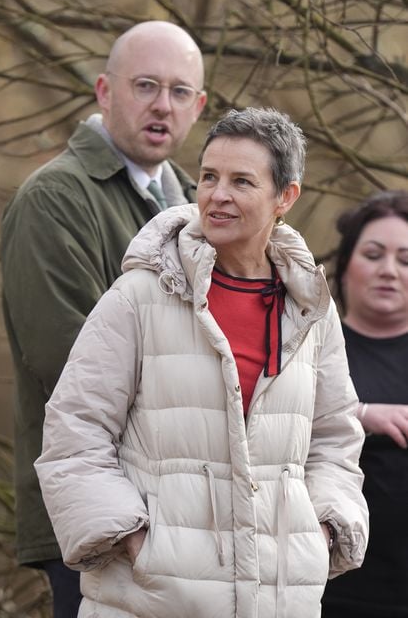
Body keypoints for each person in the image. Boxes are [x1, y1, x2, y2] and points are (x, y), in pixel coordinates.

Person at [34, 107, 368, 618]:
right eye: (209, 176)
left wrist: (318, 534)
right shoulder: (139, 296)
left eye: (241, 181)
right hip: (150, 600)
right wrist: (136, 543)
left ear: (286, 197)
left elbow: (336, 439)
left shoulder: (311, 309)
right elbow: (74, 429)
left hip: (281, 600)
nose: (217, 195)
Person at [0, 20, 207, 617]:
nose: (162, 105)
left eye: (179, 91)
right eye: (145, 85)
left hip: (187, 510)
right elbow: (69, 364)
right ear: (103, 91)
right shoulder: (55, 198)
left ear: (199, 106)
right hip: (96, 513)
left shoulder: (194, 205)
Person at [321, 189, 408, 618]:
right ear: (345, 265)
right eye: (373, 254)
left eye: (405, 260)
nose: (389, 270)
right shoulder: (313, 348)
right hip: (328, 593)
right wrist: (362, 414)